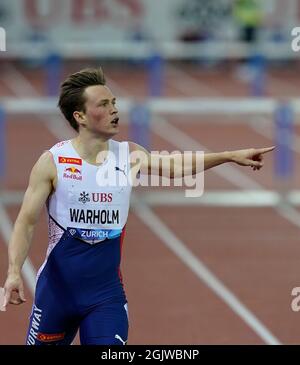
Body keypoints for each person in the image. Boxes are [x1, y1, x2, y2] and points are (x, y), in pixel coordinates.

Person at [2, 67, 274, 345]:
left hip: (105, 298)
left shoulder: (128, 154)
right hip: (56, 296)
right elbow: (26, 222)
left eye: (114, 103)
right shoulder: (53, 162)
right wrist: (13, 272)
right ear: (80, 116)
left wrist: (229, 156)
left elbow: (174, 166)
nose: (115, 111)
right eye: (104, 105)